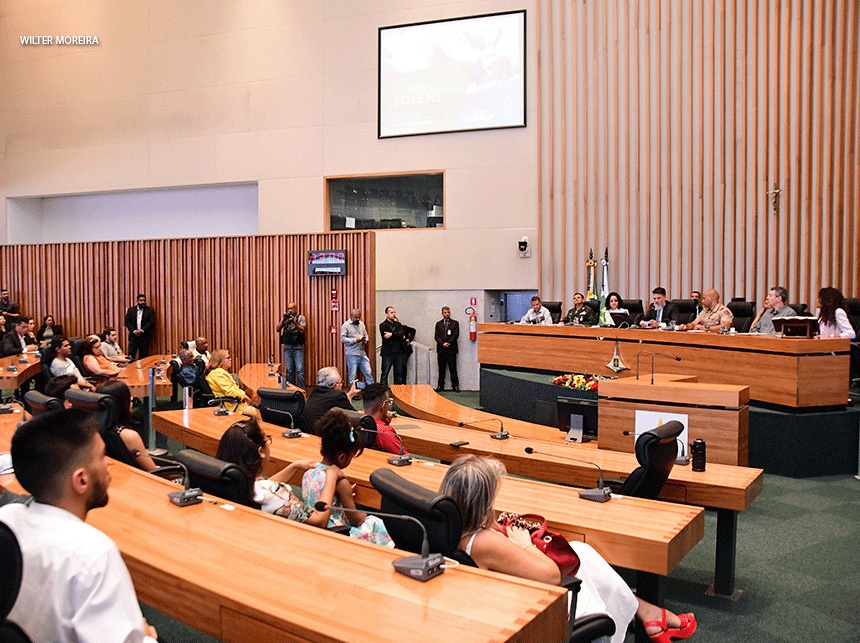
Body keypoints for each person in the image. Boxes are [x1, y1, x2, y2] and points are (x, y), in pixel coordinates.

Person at [439, 455, 696, 643]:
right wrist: (525, 544)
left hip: (501, 593)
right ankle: (646, 614)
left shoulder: (451, 525)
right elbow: (551, 575)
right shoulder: (484, 541)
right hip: (527, 606)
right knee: (582, 567)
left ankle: (645, 611)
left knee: (580, 551)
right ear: (482, 502)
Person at [0, 409, 158, 642]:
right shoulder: (93, 553)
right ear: (81, 480)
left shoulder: (6, 520)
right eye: (104, 457)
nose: (108, 466)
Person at [215, 418, 338, 526]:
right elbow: (319, 520)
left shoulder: (224, 480)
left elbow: (263, 487)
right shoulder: (278, 494)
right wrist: (331, 477)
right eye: (267, 439)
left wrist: (295, 466)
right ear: (261, 452)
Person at [301, 409, 394, 546]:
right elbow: (356, 519)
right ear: (342, 457)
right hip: (335, 533)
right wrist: (366, 514)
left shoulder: (308, 472)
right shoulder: (340, 482)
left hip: (310, 528)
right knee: (374, 522)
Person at [94, 379, 161, 473]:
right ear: (122, 403)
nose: (132, 399)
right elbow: (153, 470)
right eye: (129, 398)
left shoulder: (93, 430)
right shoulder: (130, 436)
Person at [301, 366, 359, 434]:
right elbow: (355, 417)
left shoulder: (314, 393)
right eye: (341, 382)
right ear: (335, 385)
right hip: (323, 436)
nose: (342, 385)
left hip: (308, 433)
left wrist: (350, 395)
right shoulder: (338, 396)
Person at [204, 349, 259, 418]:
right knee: (260, 415)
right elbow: (230, 392)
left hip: (235, 403)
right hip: (231, 405)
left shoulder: (219, 372)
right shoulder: (218, 374)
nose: (230, 359)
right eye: (227, 358)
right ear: (220, 361)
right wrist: (244, 396)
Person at [361, 383, 408, 456]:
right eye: (389, 402)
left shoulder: (356, 423)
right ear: (383, 406)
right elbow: (404, 456)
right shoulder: (384, 432)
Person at [340, 308, 375, 387]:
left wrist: (365, 340)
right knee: (352, 375)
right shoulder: (345, 325)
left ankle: (371, 392)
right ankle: (354, 393)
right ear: (351, 316)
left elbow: (366, 335)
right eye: (356, 317)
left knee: (368, 372)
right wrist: (355, 340)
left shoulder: (362, 324)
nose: (358, 319)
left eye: (359, 317)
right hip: (352, 354)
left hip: (362, 353)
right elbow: (343, 339)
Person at [276, 302, 306, 389]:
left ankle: (302, 390)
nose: (290, 310)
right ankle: (290, 390)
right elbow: (277, 329)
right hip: (288, 347)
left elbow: (302, 330)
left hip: (298, 347)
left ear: (296, 309)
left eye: (291, 308)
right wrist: (283, 319)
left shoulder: (301, 318)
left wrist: (294, 322)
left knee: (300, 371)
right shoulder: (285, 319)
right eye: (288, 308)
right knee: (289, 371)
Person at [379, 306, 410, 385]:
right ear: (386, 314)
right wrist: (397, 335)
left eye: (394, 312)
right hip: (388, 353)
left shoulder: (398, 324)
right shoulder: (383, 325)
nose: (393, 314)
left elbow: (402, 334)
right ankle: (383, 393)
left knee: (399, 373)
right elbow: (386, 337)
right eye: (391, 312)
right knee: (385, 373)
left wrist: (391, 334)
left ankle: (398, 392)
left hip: (398, 352)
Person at [434, 306, 460, 392]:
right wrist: (442, 343)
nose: (447, 314)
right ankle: (440, 385)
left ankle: (455, 385)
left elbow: (455, 335)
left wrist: (448, 343)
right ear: (442, 314)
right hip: (441, 349)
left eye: (448, 312)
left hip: (451, 349)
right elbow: (436, 336)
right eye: (445, 313)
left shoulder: (455, 323)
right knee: (441, 369)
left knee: (453, 368)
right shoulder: (438, 324)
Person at [124, 293, 155, 359]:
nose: (143, 302)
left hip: (144, 336)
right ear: (137, 301)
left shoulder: (150, 310)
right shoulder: (131, 310)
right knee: (131, 354)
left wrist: (142, 330)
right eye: (141, 300)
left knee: (144, 355)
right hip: (133, 335)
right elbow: (127, 322)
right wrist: (134, 331)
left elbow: (151, 322)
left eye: (144, 300)